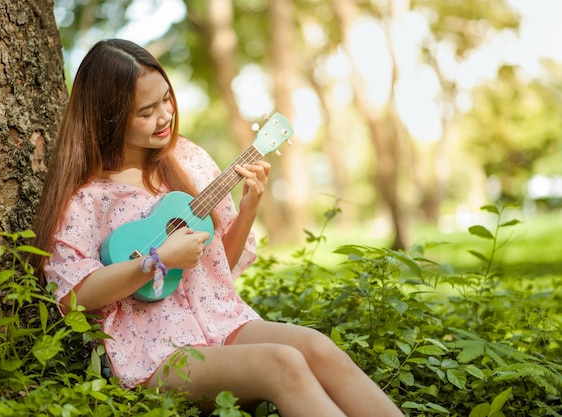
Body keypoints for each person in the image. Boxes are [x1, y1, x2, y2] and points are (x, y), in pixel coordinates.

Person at [31, 38, 403, 417]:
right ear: (108, 116)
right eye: (146, 111)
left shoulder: (187, 160)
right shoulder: (86, 199)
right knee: (282, 363)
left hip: (223, 324)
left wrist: (248, 210)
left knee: (315, 347)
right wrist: (155, 261)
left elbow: (217, 265)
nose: (164, 117)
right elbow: (72, 297)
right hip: (156, 354)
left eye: (166, 99)